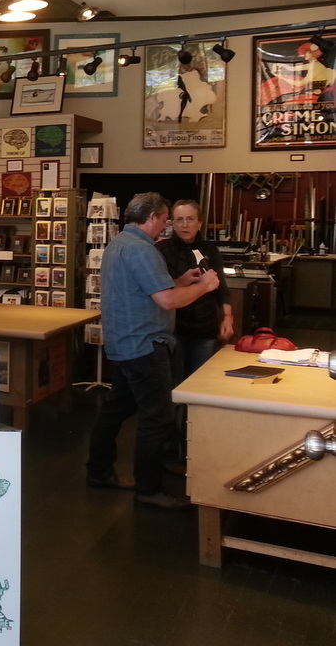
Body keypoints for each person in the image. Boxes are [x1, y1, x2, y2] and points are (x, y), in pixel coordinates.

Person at [85, 192, 220, 511]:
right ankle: (148, 489)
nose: (167, 225)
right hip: (144, 345)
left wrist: (181, 280)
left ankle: (98, 472)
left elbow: (147, 288)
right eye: (165, 219)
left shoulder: (119, 243)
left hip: (123, 343)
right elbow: (167, 300)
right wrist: (204, 286)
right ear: (151, 218)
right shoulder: (143, 249)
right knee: (158, 417)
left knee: (116, 410)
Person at [155, 199, 233, 385]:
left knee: (199, 382)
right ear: (172, 223)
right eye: (179, 220)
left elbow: (222, 289)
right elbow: (159, 291)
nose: (184, 225)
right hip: (174, 328)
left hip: (205, 327)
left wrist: (228, 317)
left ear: (200, 223)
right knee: (174, 382)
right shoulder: (160, 250)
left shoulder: (210, 250)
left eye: (190, 219)